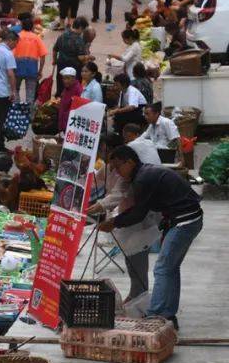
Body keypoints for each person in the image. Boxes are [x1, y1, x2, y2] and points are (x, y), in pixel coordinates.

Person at [99, 146, 203, 328]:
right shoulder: (142, 174)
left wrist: (114, 223)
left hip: (185, 220)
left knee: (163, 268)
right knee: (170, 268)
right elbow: (130, 203)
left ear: (130, 162)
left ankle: (156, 317)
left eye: (117, 167)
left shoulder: (143, 178)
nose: (116, 172)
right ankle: (167, 315)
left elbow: (138, 213)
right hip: (185, 218)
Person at [89, 131, 160, 302]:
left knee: (137, 260)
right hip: (125, 218)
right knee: (130, 259)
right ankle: (136, 295)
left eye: (101, 150)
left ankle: (140, 297)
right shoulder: (109, 167)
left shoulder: (127, 172)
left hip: (137, 218)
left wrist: (96, 207)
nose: (99, 154)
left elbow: (117, 194)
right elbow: (94, 182)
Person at [53, 17, 89, 95]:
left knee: (61, 87)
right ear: (80, 28)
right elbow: (81, 57)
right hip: (74, 69)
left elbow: (55, 49)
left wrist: (54, 60)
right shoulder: (79, 40)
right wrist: (88, 57)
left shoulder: (62, 35)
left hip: (61, 66)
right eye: (83, 30)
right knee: (72, 90)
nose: (82, 32)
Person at [57, 67, 84, 134]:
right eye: (64, 78)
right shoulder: (66, 88)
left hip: (70, 125)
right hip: (64, 123)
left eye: (68, 78)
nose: (65, 81)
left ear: (74, 78)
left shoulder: (78, 90)